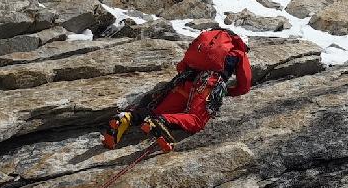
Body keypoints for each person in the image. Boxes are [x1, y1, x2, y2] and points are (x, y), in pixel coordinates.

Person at [102, 28, 252, 151]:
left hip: (185, 80)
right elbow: (244, 84)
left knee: (157, 110)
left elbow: (181, 66)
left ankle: (127, 117)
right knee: (196, 120)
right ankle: (160, 123)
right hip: (208, 83)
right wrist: (229, 91)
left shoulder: (207, 42)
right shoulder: (239, 52)